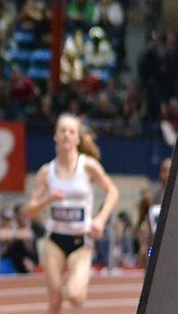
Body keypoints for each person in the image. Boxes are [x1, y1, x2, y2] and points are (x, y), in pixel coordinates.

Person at [24, 114, 118, 314]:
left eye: (71, 131)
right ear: (55, 135)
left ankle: (79, 296)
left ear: (77, 138)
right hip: (54, 239)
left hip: (81, 240)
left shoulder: (88, 166)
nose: (66, 135)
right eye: (62, 131)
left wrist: (100, 219)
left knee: (74, 295)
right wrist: (47, 200)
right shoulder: (46, 172)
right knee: (55, 300)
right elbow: (29, 211)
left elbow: (113, 191)